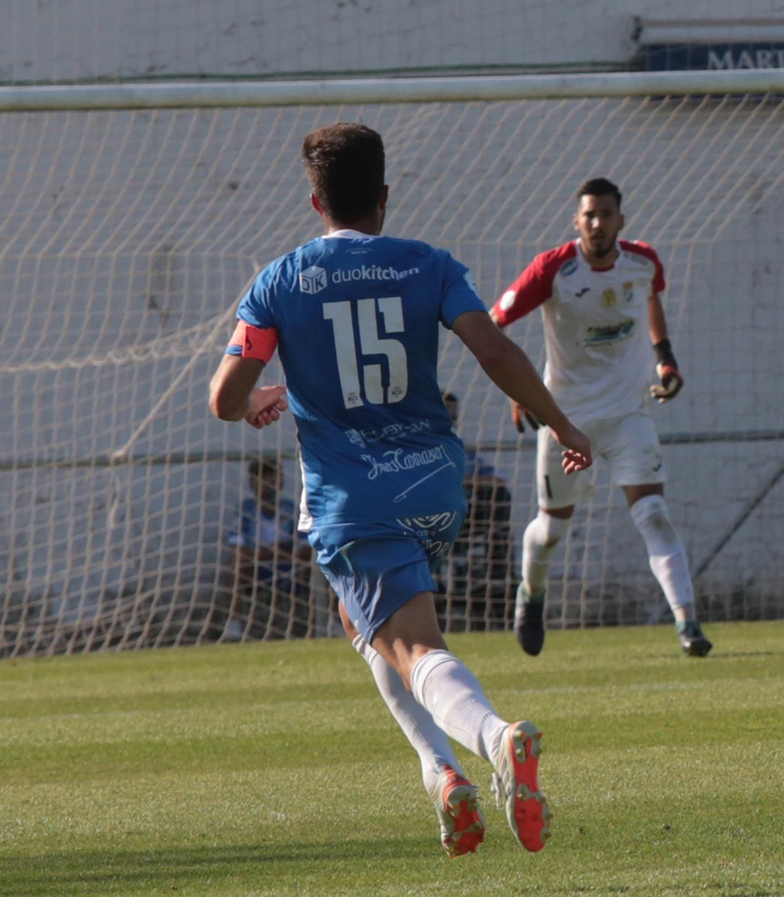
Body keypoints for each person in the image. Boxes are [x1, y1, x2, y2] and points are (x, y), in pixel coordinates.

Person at [207, 123, 593, 857]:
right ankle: (441, 774)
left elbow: (226, 396)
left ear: (314, 199)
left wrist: (256, 400)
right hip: (436, 485)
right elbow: (495, 349)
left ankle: (492, 740)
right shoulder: (428, 265)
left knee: (412, 644)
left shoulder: (281, 281)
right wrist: (563, 425)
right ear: (385, 195)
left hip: (353, 497)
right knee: (365, 626)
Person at [494, 177, 711, 657]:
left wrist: (665, 358)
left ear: (620, 220)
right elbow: (495, 323)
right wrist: (520, 391)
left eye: (606, 214)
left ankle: (688, 624)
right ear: (577, 221)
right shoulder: (552, 269)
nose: (597, 223)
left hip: (628, 413)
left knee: (654, 514)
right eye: (588, 215)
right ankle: (530, 596)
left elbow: (651, 297)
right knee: (551, 531)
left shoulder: (643, 263)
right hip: (566, 421)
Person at [442, 391, 516, 628]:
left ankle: (497, 576)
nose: (451, 419)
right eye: (446, 413)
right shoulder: (416, 448)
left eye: (453, 415)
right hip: (430, 520)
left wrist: (467, 479)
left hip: (466, 520)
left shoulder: (462, 450)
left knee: (499, 497)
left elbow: (498, 479)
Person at [223, 458, 313, 641]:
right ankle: (235, 622)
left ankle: (318, 622)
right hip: (258, 567)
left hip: (288, 566)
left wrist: (284, 553)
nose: (269, 487)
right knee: (235, 567)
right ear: (252, 484)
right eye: (264, 482)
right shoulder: (247, 511)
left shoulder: (291, 509)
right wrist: (267, 553)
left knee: (314, 564)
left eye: (274, 481)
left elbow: (305, 546)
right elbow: (237, 547)